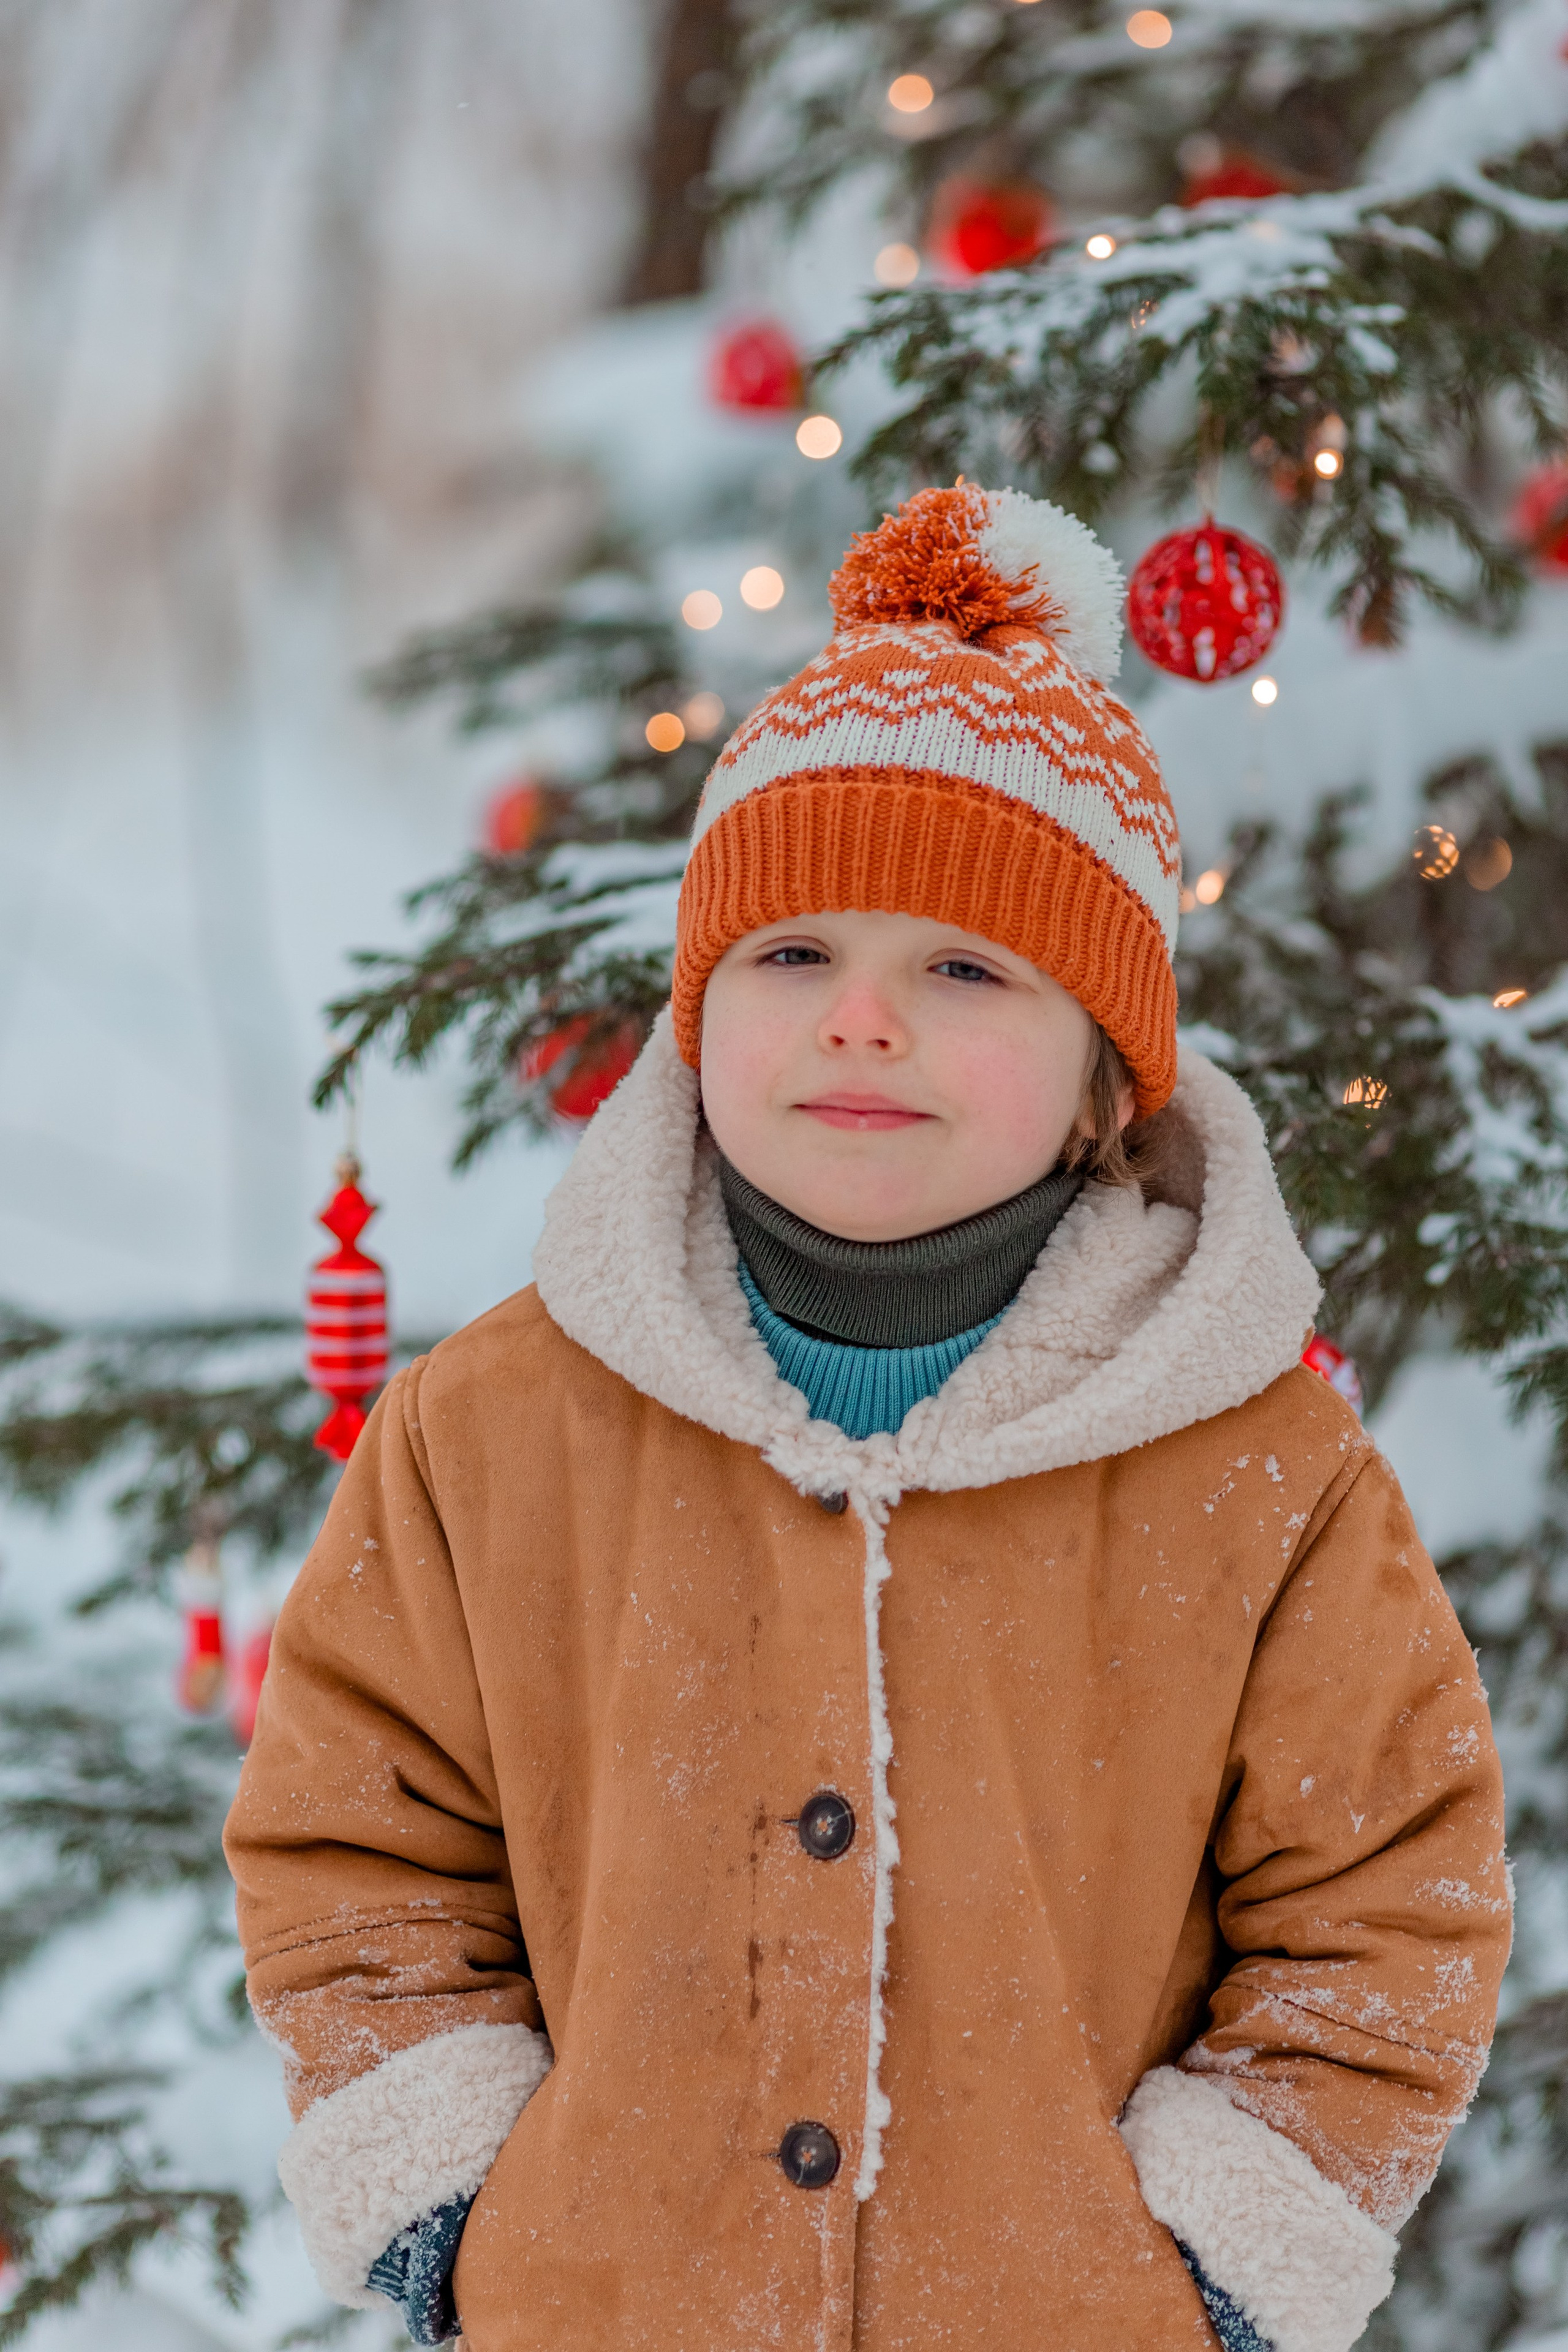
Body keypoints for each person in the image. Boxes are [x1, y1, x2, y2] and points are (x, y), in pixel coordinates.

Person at [224, 483, 1509, 2352]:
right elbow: (358, 1844)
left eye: (965, 969)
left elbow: (1386, 1907)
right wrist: (454, 2209)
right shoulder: (493, 1432)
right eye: (795, 954)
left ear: (1101, 1071)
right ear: (700, 1007)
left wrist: (1223, 2265)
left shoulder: (1260, 1472)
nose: (860, 1024)